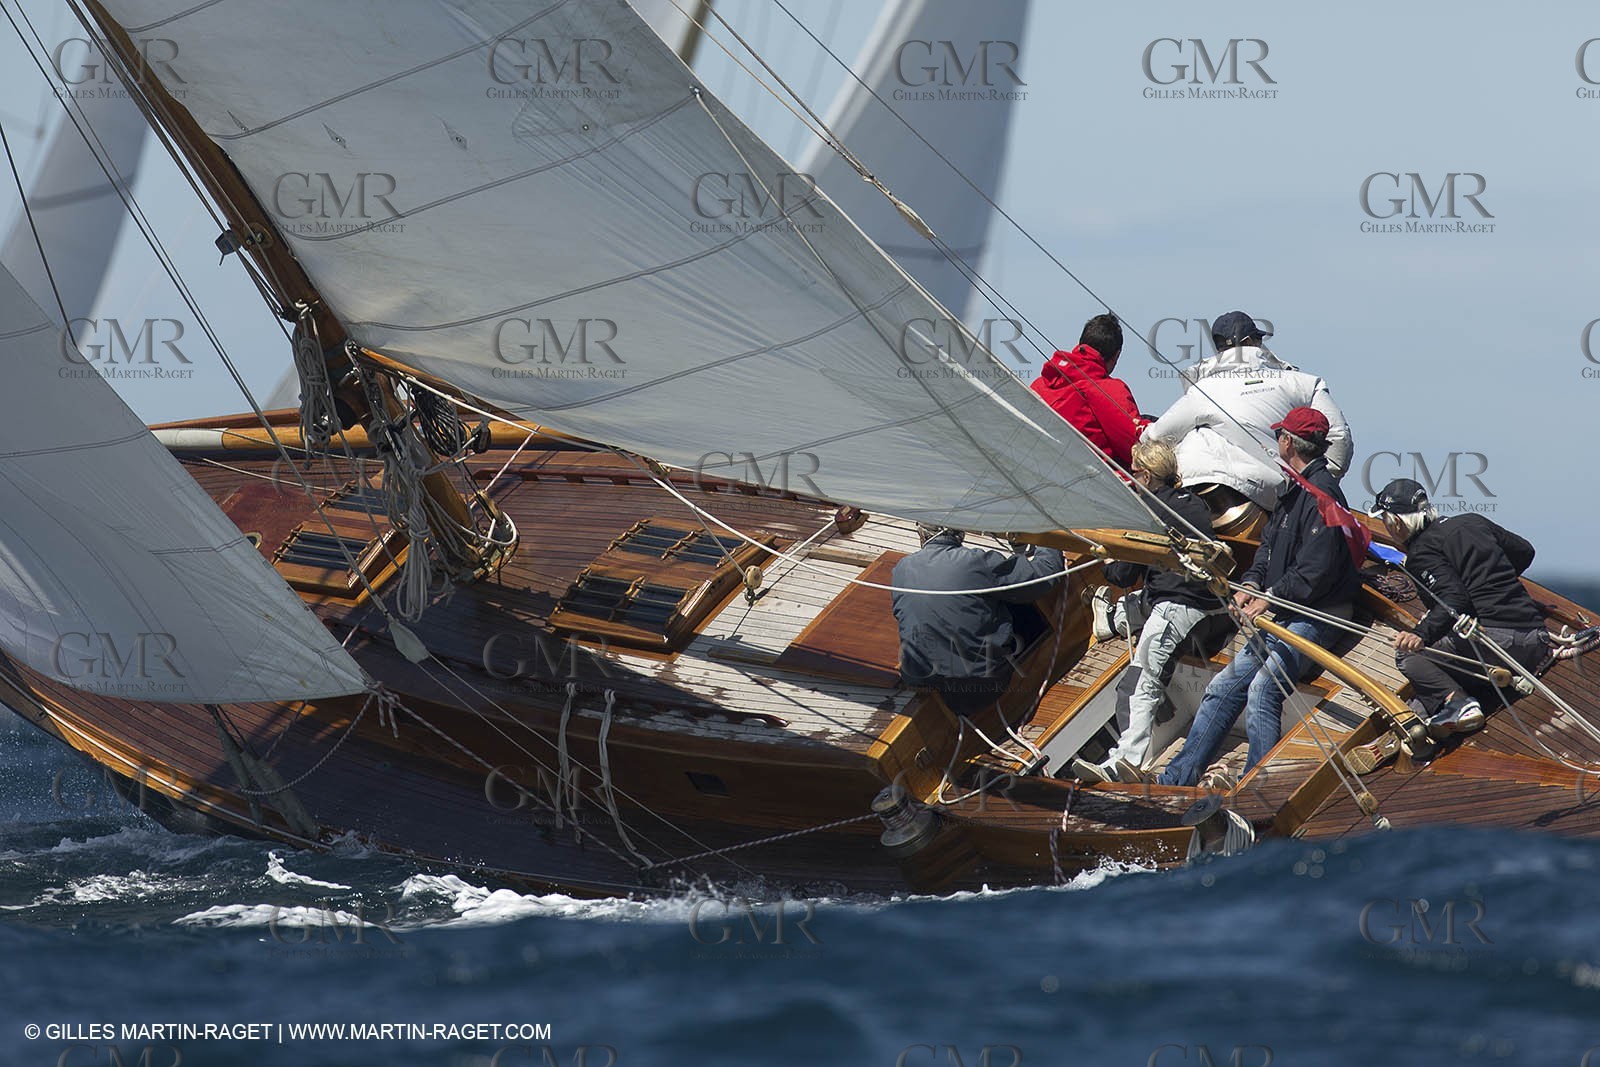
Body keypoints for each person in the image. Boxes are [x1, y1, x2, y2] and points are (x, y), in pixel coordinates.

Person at [1157, 407, 1360, 787]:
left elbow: (1316, 570)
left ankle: (1254, 786)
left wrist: (1270, 597)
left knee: (1264, 688)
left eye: (1280, 435)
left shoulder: (1324, 495)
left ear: (1288, 442)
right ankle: (1177, 778)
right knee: (1220, 689)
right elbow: (1267, 547)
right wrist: (1252, 583)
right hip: (1285, 608)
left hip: (1316, 612)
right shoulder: (1293, 490)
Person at [1070, 439, 1232, 783]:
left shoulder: (1148, 512)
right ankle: (1115, 618)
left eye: (1133, 474)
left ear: (1145, 475)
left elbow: (1123, 574)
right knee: (1142, 603)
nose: (1131, 481)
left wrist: (1107, 557)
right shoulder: (1193, 502)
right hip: (1210, 608)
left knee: (1141, 682)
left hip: (1177, 609)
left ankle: (1124, 761)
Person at [1373, 478, 1549, 737]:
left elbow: (1455, 598)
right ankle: (1423, 715)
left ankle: (1459, 705)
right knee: (1430, 686)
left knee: (1408, 656)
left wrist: (1420, 634)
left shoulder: (1421, 554)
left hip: (1501, 645)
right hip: (1537, 637)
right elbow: (1524, 551)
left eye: (1384, 519)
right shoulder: (1472, 521)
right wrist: (1493, 582)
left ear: (1395, 522)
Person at [1143, 311, 1353, 510]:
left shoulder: (1204, 390)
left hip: (1206, 493)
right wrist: (1315, 483)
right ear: (1250, 342)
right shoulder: (1304, 383)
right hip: (1281, 496)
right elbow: (1339, 437)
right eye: (1259, 339)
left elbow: (1155, 436)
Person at [891, 525, 1066, 718]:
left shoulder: (902, 569)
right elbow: (1044, 576)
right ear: (960, 532)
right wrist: (1049, 540)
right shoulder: (976, 562)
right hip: (984, 685)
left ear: (920, 534)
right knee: (1011, 603)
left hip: (923, 680)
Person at [1030, 313, 1146, 470]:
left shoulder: (1037, 386)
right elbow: (1137, 446)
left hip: (1034, 474)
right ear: (1116, 355)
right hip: (1100, 481)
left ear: (1080, 344)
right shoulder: (1107, 389)